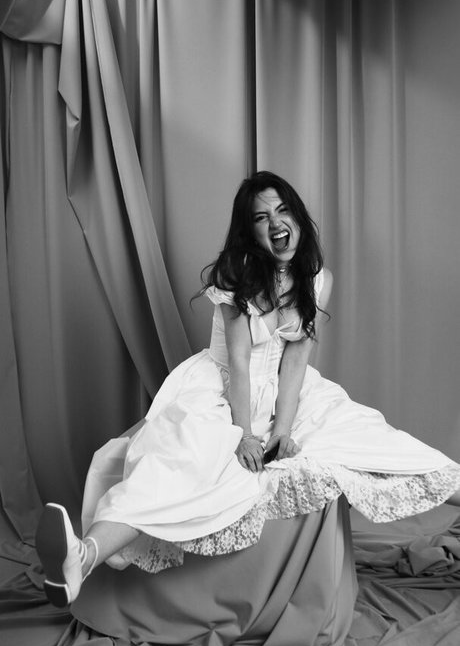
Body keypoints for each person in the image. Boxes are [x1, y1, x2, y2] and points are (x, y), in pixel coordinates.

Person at [36, 171, 460, 609]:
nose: (275, 222)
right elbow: (238, 363)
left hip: (286, 391)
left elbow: (295, 361)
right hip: (221, 389)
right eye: (261, 217)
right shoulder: (237, 273)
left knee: (374, 441)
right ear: (250, 231)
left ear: (297, 218)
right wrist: (244, 434)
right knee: (177, 466)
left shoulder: (319, 279)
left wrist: (283, 428)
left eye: (283, 210)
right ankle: (83, 558)